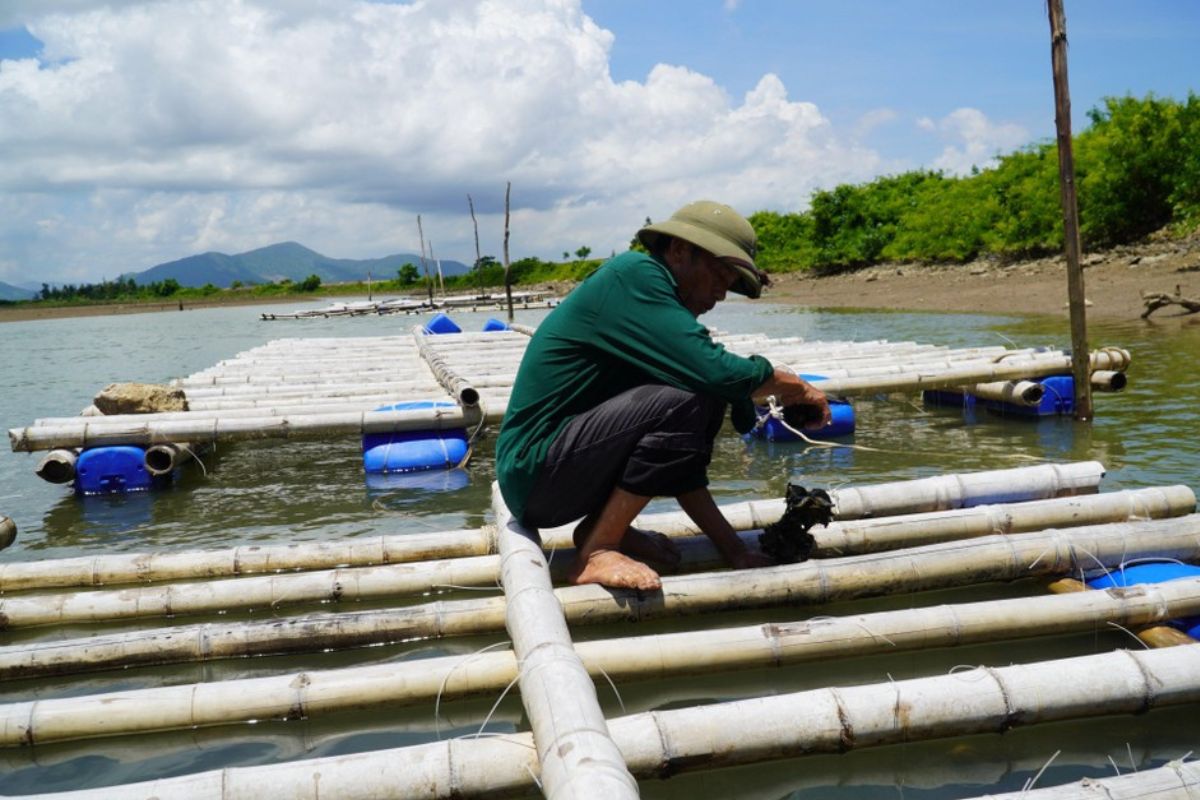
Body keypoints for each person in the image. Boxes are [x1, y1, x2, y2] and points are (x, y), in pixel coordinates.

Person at [495, 200, 830, 591]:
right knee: (690, 397)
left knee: (696, 395)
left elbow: (681, 459)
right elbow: (715, 373)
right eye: (719, 276)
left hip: (555, 478)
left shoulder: (656, 314)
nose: (721, 295)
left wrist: (733, 549)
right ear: (678, 252)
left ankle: (601, 530)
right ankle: (598, 551)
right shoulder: (635, 276)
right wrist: (795, 385)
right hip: (533, 470)